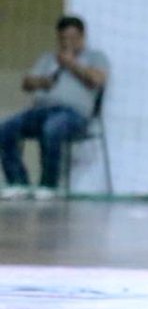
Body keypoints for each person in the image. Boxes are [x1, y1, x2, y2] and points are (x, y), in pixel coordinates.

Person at [0, 16, 110, 200]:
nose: (67, 42)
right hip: (40, 111)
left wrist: (71, 64)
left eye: (72, 38)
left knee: (53, 127)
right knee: (6, 129)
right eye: (63, 38)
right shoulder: (48, 58)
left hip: (74, 115)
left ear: (82, 36)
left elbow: (97, 79)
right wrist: (42, 81)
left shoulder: (95, 57)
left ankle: (48, 185)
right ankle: (18, 183)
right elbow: (27, 83)